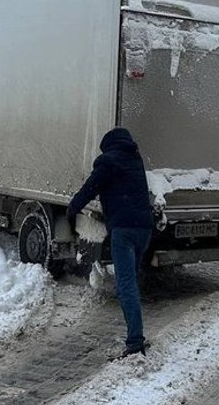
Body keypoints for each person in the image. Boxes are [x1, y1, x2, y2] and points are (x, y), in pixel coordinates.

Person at [67, 127, 155, 360]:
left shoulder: (107, 161)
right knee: (131, 282)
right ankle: (136, 333)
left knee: (126, 285)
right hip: (144, 229)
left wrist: (72, 209)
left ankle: (135, 342)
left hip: (123, 231)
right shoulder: (135, 159)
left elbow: (89, 189)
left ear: (107, 146)